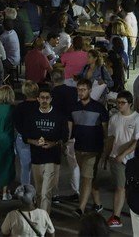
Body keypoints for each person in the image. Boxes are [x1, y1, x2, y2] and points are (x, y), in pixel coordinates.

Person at [104, 90, 139, 229]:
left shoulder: (138, 119)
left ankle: (134, 212)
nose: (119, 105)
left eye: (123, 103)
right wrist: (107, 154)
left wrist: (124, 154)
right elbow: (111, 138)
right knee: (120, 187)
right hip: (116, 159)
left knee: (130, 187)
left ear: (130, 104)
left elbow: (137, 141)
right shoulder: (114, 119)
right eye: (118, 102)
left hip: (132, 159)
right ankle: (116, 217)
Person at [23, 86, 69, 214]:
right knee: (39, 192)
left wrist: (54, 143)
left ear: (51, 99)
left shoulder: (59, 116)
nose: (44, 100)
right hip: (36, 158)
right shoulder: (31, 116)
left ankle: (43, 219)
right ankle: (39, 215)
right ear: (38, 99)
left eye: (47, 98)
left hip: (52, 158)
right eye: (42, 97)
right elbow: (25, 137)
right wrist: (34, 142)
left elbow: (65, 137)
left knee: (45, 193)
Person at [71, 77, 109, 216]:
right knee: (89, 176)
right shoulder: (74, 107)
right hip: (79, 148)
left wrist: (105, 149)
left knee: (86, 177)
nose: (81, 92)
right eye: (79, 90)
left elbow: (106, 131)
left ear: (90, 90)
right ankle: (97, 203)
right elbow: (71, 127)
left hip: (94, 149)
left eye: (83, 89)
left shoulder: (99, 108)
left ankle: (81, 208)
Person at [14, 81, 41, 187]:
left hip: (24, 139)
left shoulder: (20, 107)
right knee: (40, 166)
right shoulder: (41, 106)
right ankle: (41, 189)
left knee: (25, 167)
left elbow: (17, 125)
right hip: (39, 139)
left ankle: (26, 189)